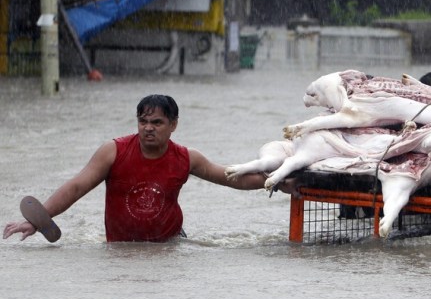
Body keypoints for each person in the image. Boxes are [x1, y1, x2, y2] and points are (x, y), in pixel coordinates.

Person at [3, 94, 294, 242]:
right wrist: (39, 219)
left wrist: (277, 181)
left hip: (170, 245)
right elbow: (77, 186)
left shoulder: (186, 157)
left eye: (157, 123)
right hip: (119, 247)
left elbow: (230, 178)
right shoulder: (113, 151)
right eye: (143, 122)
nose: (148, 129)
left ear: (173, 125)